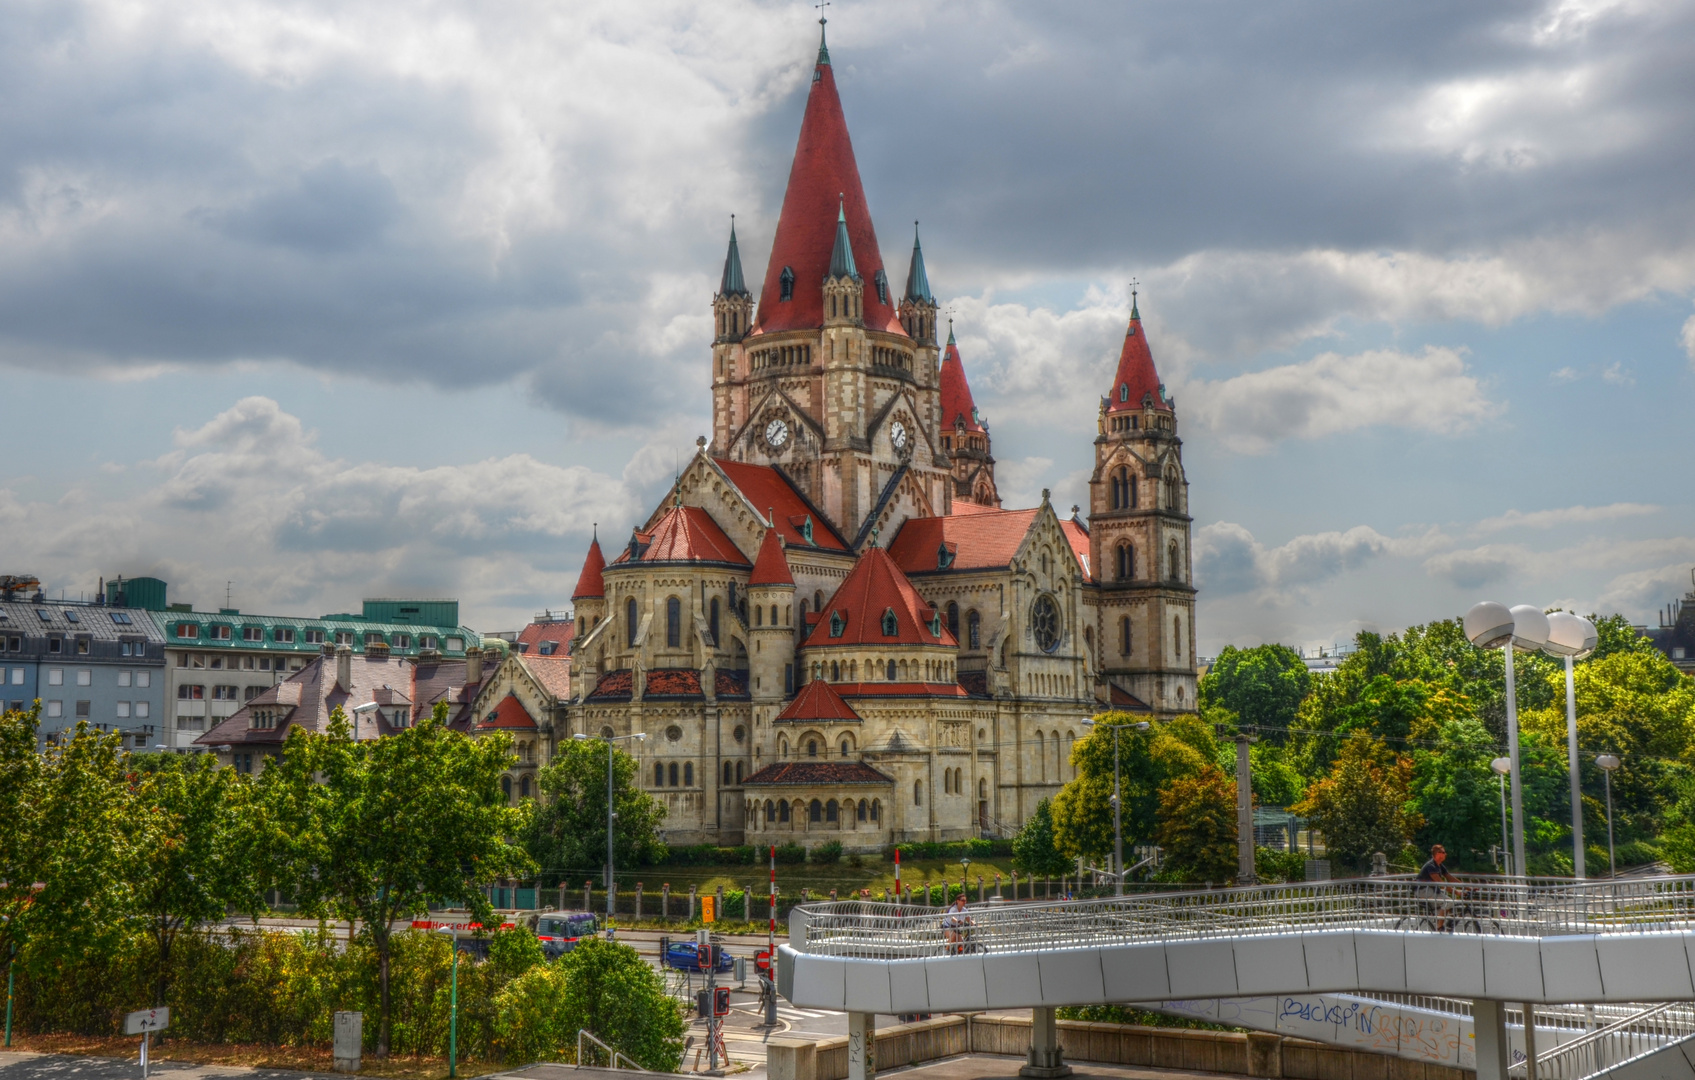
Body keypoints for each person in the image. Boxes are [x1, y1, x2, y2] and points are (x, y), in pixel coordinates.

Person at [1416, 844, 1458, 930]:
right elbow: (1440, 883)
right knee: (1449, 902)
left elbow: (1450, 878)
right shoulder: (1431, 866)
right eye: (1443, 852)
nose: (1445, 854)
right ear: (1438, 854)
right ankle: (1439, 927)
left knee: (1446, 907)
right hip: (1423, 890)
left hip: (1431, 890)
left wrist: (1467, 887)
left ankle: (1441, 921)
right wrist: (1457, 892)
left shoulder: (1439, 865)